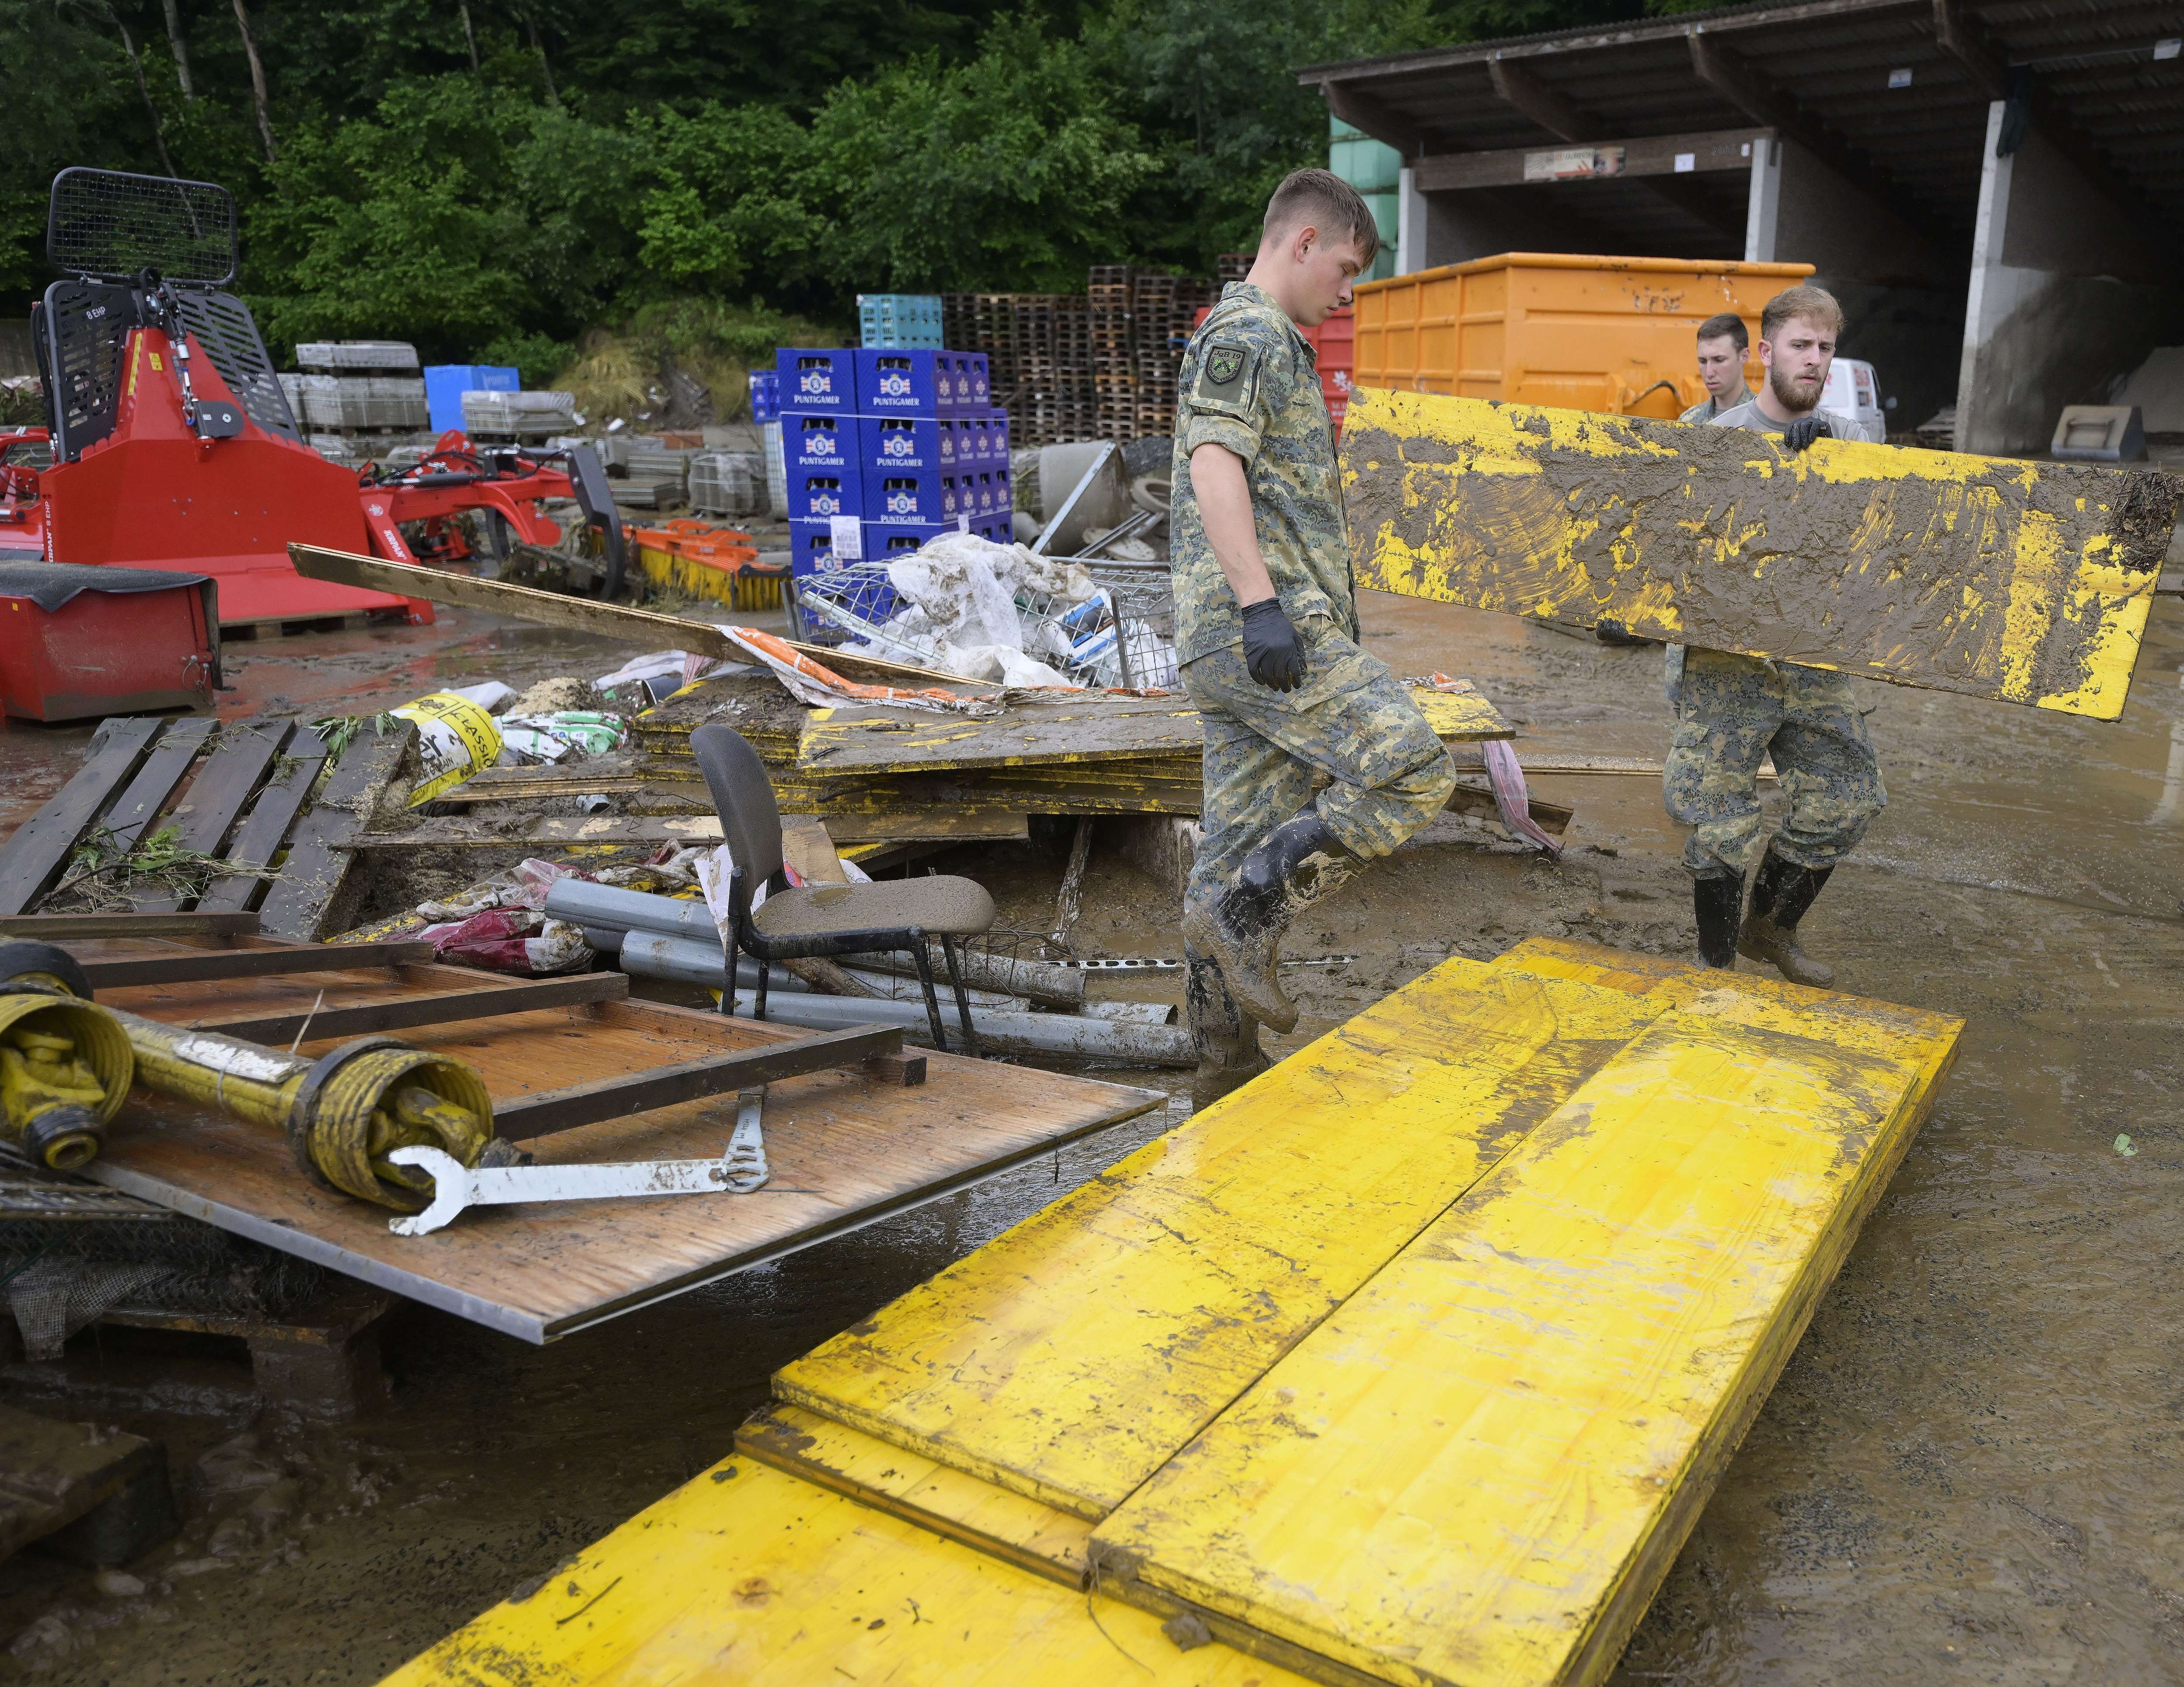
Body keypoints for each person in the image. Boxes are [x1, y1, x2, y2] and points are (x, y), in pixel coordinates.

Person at [1170, 169, 1456, 1105]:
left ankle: (1219, 1067)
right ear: (1300, 243)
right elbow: (1215, 465)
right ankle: (1247, 921)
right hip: (1263, 632)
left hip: (1247, 638)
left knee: (1230, 848)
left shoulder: (1265, 339)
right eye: (1343, 268)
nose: (1345, 294)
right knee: (1413, 767)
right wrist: (1260, 606)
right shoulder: (1251, 331)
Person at [1664, 283, 1883, 989]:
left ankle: (1769, 925)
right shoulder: (1716, 442)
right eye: (1800, 346)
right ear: (1766, 352)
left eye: (1825, 349)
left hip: (1811, 657)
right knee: (1720, 816)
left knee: (1849, 794)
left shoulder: (1850, 441)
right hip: (1727, 659)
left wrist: (1830, 471)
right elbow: (1671, 544)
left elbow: (1885, 535)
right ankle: (1714, 962)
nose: (1814, 361)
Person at [1679, 312, 1753, 424]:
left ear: (1744, 356)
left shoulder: (1766, 420)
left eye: (1719, 360)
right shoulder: (1689, 421)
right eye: (1703, 361)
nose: (1709, 373)